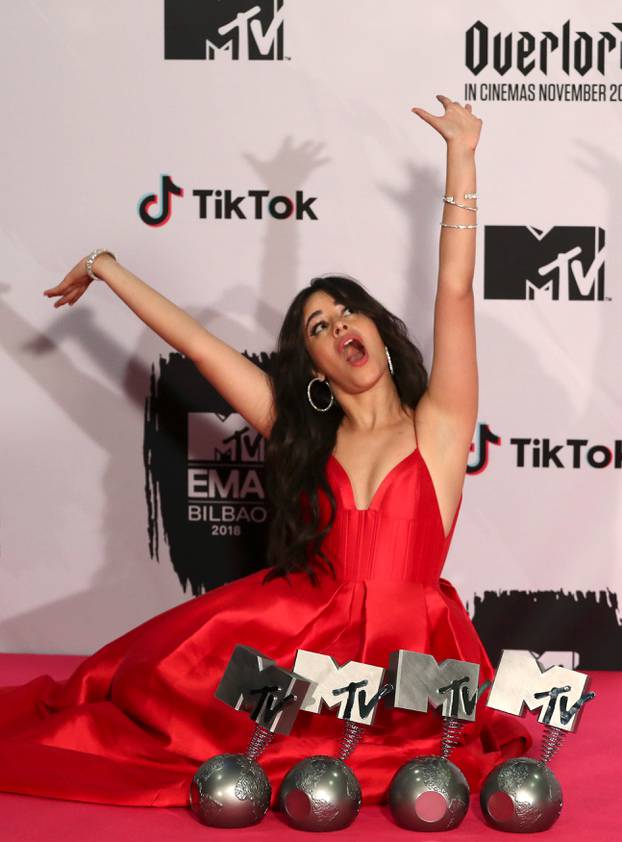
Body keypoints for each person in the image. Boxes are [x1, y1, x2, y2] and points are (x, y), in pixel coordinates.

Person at [0, 95, 532, 808]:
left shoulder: (439, 423)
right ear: (314, 366)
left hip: (415, 656)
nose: (341, 324)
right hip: (306, 641)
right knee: (157, 708)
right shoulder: (298, 427)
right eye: (319, 326)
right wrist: (104, 265)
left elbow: (457, 288)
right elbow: (195, 343)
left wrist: (462, 158)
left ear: (375, 327)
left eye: (348, 310)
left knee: (411, 765)